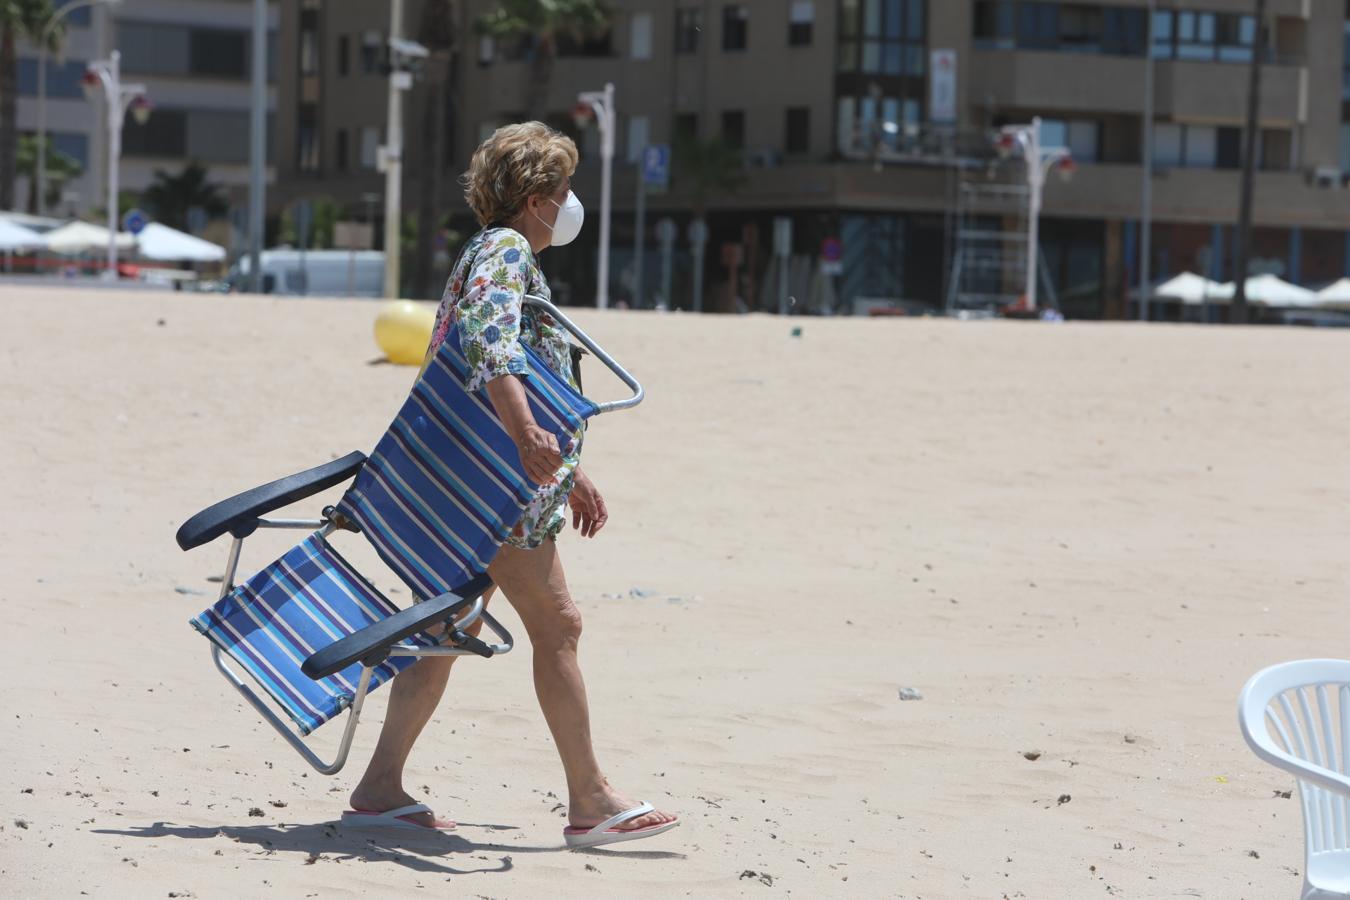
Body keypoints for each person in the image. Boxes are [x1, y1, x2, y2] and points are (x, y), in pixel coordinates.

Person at [343, 122, 678, 849]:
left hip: (478, 479)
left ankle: (377, 789)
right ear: (535, 199)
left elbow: (519, 370)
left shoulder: (485, 251)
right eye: (562, 190)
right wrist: (530, 441)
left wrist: (568, 468)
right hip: (493, 489)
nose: (570, 202)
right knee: (557, 627)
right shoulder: (508, 249)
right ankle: (590, 799)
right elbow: (492, 349)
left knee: (444, 629)